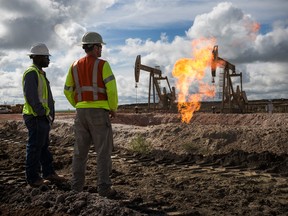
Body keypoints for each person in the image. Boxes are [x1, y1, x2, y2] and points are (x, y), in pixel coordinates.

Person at [64, 32, 118, 198]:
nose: (101, 49)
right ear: (94, 47)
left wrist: (78, 105)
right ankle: (104, 189)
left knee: (80, 153)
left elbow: (67, 90)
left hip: (80, 114)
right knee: (103, 152)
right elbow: (111, 89)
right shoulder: (103, 65)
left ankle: (76, 189)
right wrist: (112, 108)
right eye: (100, 46)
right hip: (99, 114)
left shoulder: (73, 66)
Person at [22, 43, 66, 187]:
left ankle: (48, 173)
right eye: (46, 57)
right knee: (35, 147)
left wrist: (49, 116)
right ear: (38, 57)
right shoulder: (31, 73)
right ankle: (33, 178)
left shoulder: (40, 73)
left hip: (42, 118)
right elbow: (32, 98)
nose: (48, 59)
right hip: (36, 117)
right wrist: (42, 113)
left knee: (43, 147)